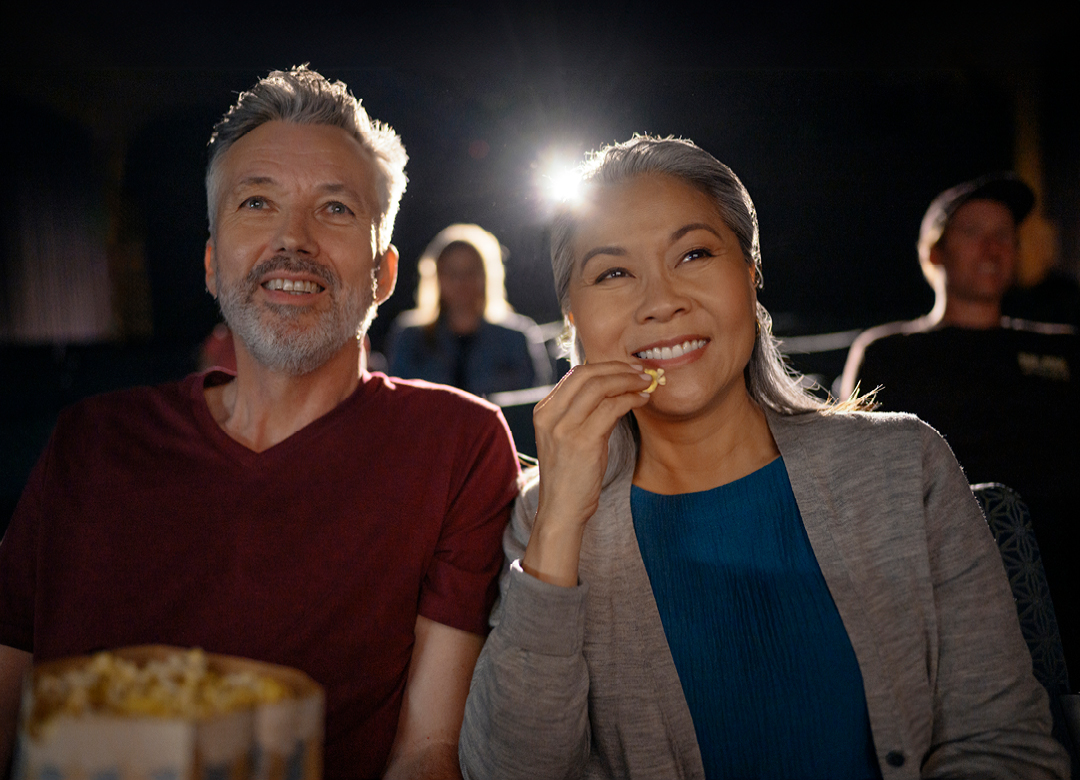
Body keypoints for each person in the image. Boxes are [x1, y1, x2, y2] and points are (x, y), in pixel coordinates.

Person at [458, 137, 1068, 779]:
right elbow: (509, 771)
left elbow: (1007, 748)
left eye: (694, 254)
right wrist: (559, 522)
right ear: (572, 318)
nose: (661, 301)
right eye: (613, 273)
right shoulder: (542, 518)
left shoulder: (905, 466)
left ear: (750, 275)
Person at [0, 66, 520, 780]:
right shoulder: (91, 442)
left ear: (384, 273)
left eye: (335, 209)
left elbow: (428, 748)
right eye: (256, 202)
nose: (292, 239)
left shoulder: (455, 445)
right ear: (213, 264)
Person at [840, 173, 1080, 683]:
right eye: (973, 232)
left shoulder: (1062, 348)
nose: (993, 247)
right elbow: (856, 483)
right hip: (949, 582)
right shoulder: (890, 353)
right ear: (935, 252)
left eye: (1004, 234)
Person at [387, 223, 551, 396]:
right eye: (452, 273)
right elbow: (398, 399)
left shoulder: (516, 338)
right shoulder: (410, 339)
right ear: (437, 277)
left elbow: (535, 401)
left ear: (486, 275)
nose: (461, 282)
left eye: (470, 272)